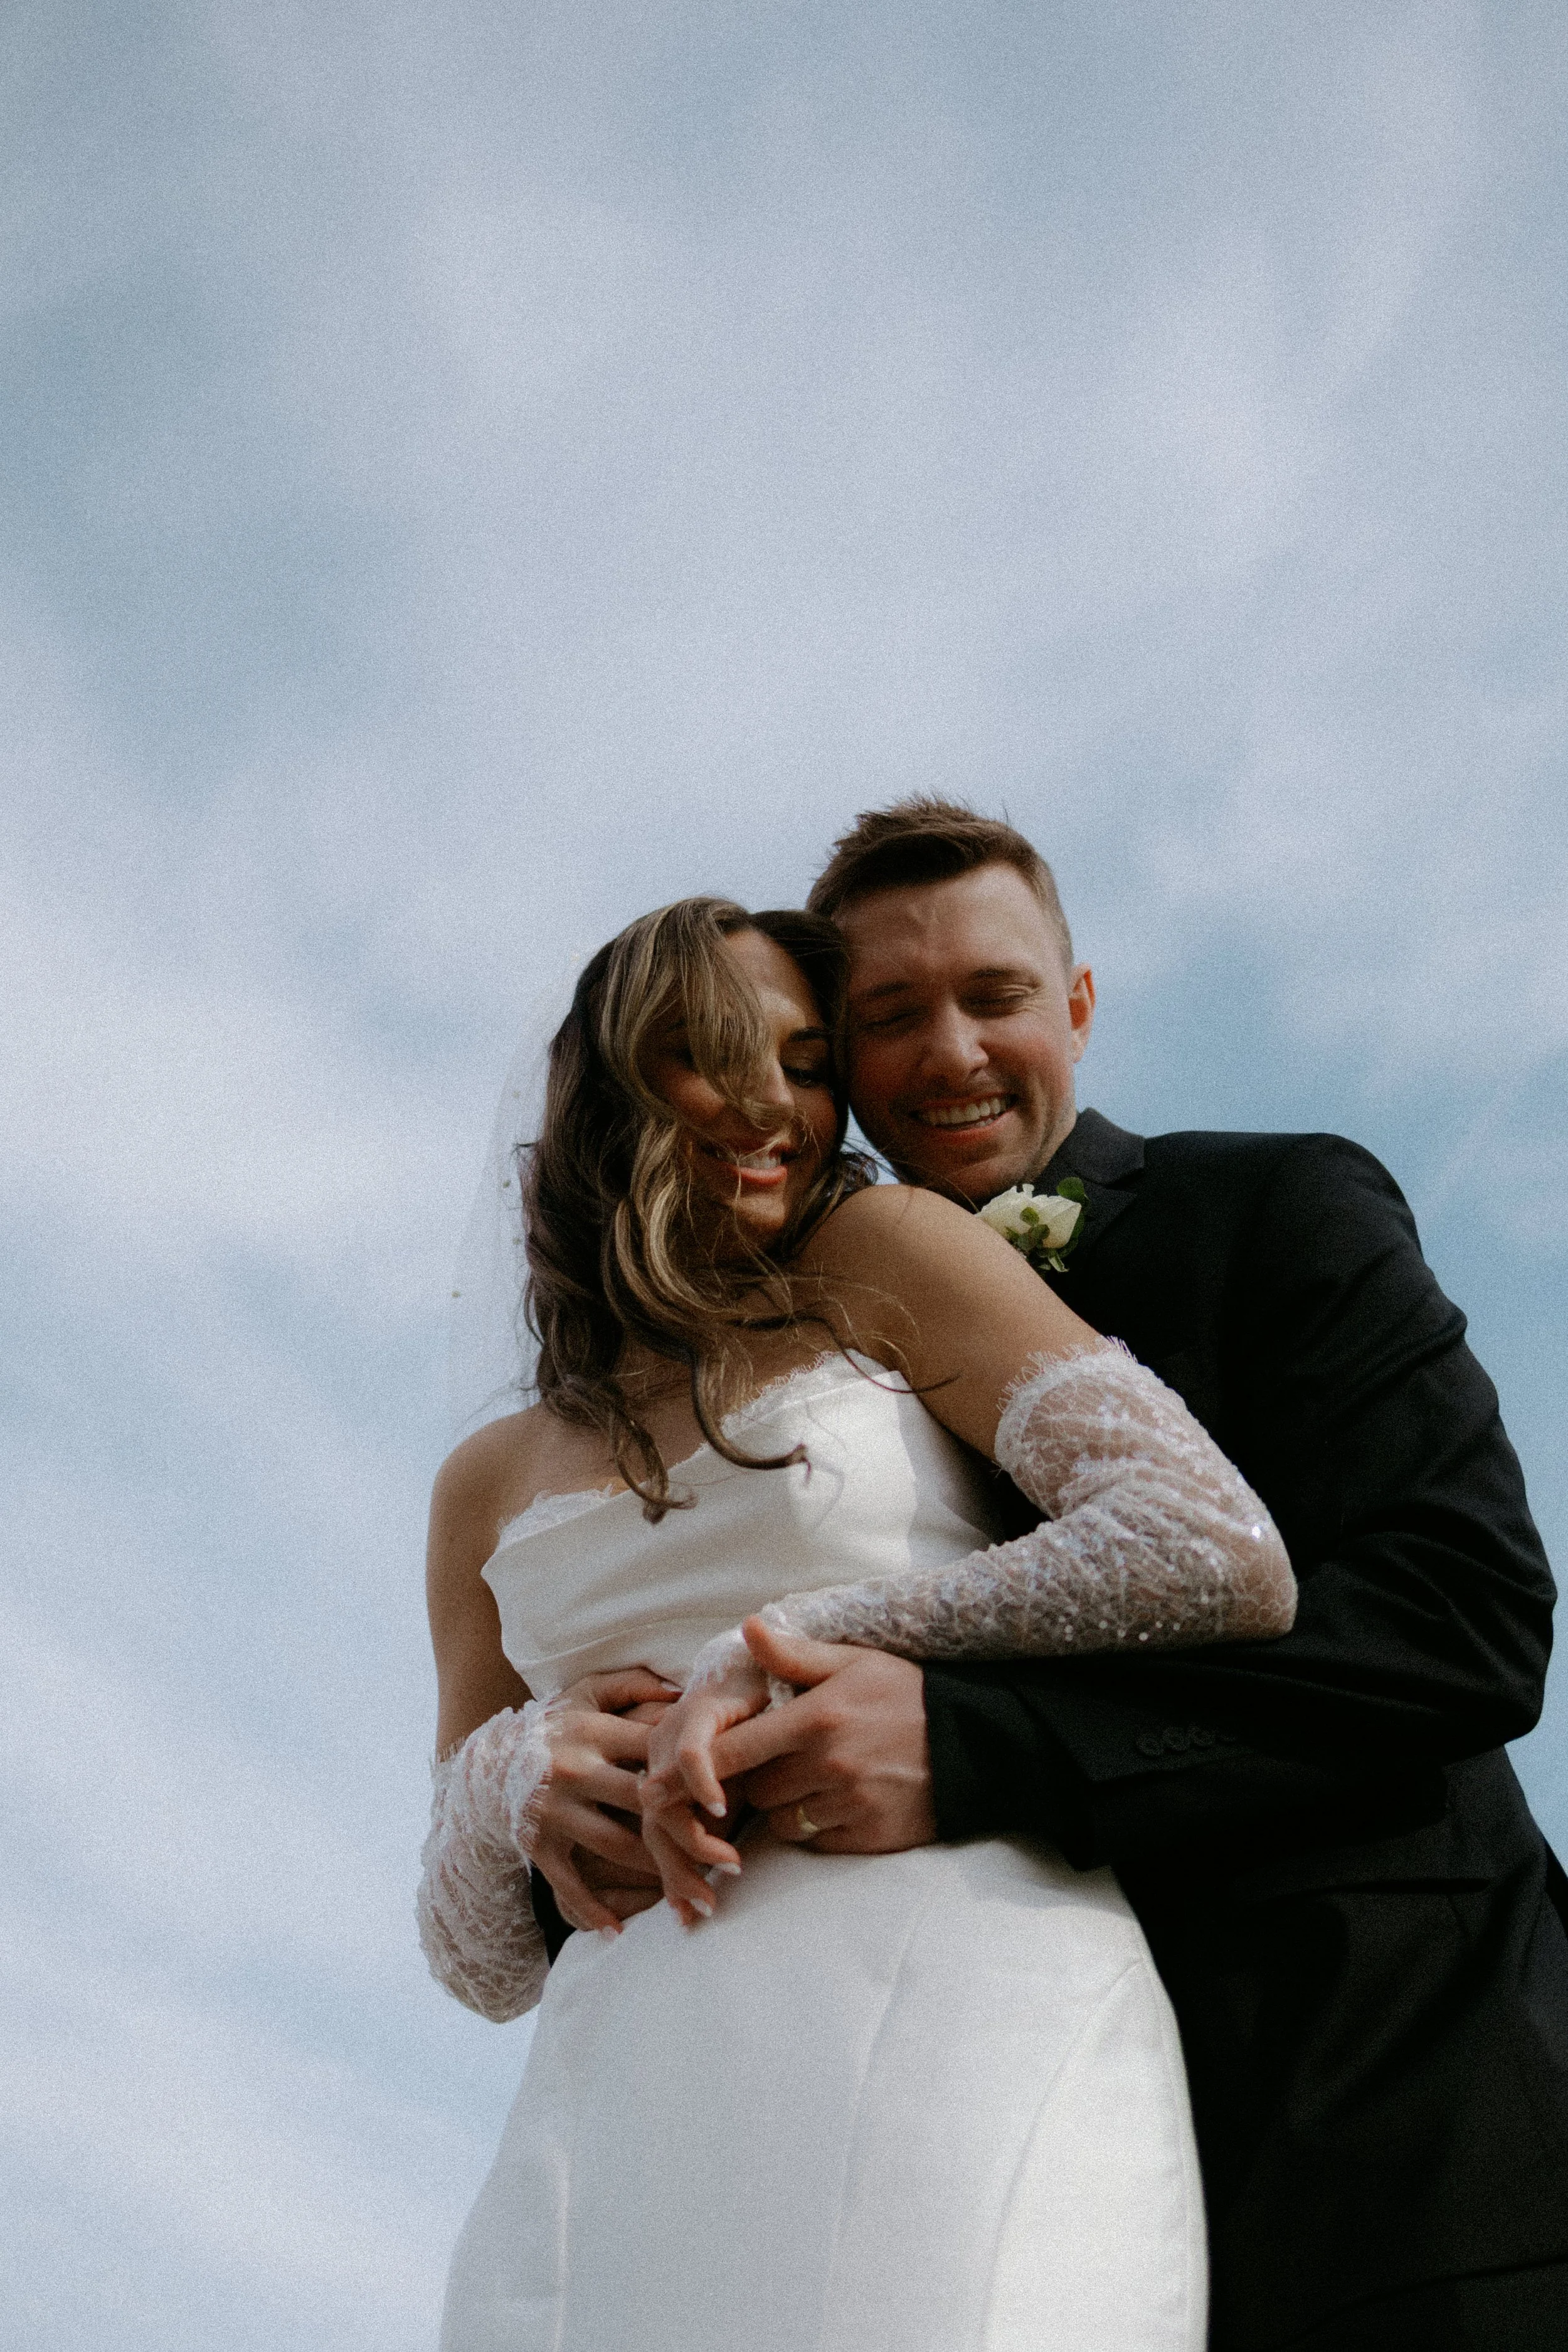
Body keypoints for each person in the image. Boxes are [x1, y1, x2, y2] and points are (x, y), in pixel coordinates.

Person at [660, 799, 1564, 2351]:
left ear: (1074, 1006)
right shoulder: (773, 1364)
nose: (948, 1052)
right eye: (886, 1016)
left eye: (993, 996)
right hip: (988, 2169)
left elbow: (1459, 1619)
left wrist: (976, 1741)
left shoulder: (1274, 1205)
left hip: (1399, 2125)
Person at [418, 894, 1299, 2351]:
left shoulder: (885, 1254)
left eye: (807, 1061)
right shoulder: (484, 1482)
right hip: (628, 2082)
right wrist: (522, 1780)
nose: (776, 1105)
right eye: (712, 1055)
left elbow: (1209, 1544)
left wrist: (787, 1643)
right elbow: (478, 1963)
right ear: (611, 1094)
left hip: (953, 1990)